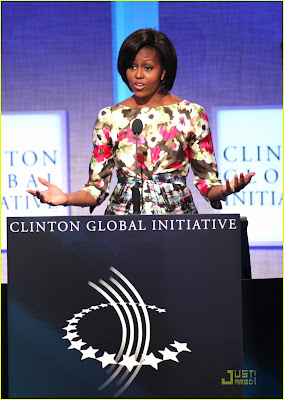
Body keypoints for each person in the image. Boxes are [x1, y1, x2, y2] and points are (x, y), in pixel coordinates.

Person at [27, 28, 255, 214]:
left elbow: (208, 184)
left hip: (176, 222)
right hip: (122, 222)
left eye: (147, 67)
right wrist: (65, 198)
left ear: (163, 71)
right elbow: (96, 189)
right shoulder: (110, 117)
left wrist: (226, 189)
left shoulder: (191, 114)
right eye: (132, 66)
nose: (138, 75)